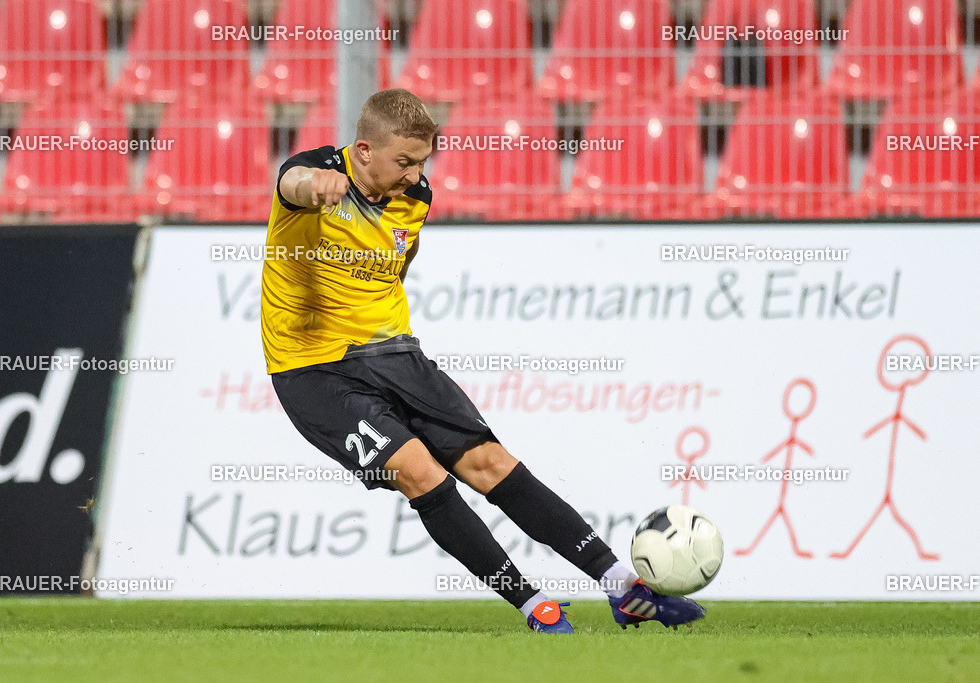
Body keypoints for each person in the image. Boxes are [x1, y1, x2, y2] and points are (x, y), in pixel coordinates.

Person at [261, 88, 706, 633]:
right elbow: (291, 183)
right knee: (419, 473)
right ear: (364, 151)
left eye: (422, 160)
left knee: (491, 463)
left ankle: (623, 588)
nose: (414, 173)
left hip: (396, 354)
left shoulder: (416, 196)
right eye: (404, 161)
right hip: (314, 371)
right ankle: (535, 605)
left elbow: (397, 264)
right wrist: (315, 185)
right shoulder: (315, 175)